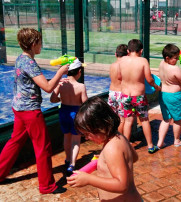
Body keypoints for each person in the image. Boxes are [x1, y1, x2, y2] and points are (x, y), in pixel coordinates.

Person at [0, 28, 68, 194]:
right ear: (32, 44)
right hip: (30, 111)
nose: (41, 45)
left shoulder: (21, 58)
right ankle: (46, 186)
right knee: (43, 147)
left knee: (15, 142)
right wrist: (60, 72)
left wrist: (55, 79)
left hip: (18, 107)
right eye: (39, 42)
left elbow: (36, 82)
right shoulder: (29, 62)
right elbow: (46, 87)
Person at [66, 96, 142, 201]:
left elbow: (122, 185)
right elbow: (134, 157)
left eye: (87, 134)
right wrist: (104, 160)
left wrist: (88, 179)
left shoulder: (112, 148)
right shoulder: (119, 137)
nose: (87, 138)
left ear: (101, 126)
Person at [119, 39, 161, 154]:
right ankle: (150, 146)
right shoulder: (143, 61)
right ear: (141, 51)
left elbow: (118, 76)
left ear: (128, 50)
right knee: (144, 120)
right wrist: (157, 87)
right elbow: (149, 79)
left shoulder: (122, 60)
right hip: (138, 97)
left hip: (125, 96)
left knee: (128, 121)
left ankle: (126, 147)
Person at [50, 59, 88, 176]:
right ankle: (72, 164)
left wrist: (60, 99)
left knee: (66, 137)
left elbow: (52, 99)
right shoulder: (81, 86)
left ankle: (67, 159)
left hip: (63, 112)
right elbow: (85, 103)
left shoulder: (61, 83)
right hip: (75, 114)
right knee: (76, 140)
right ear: (79, 72)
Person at [108, 44, 128, 134]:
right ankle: (119, 138)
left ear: (115, 54)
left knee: (112, 117)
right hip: (120, 94)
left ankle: (111, 136)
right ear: (127, 55)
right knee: (122, 119)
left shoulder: (112, 65)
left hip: (111, 93)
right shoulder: (124, 66)